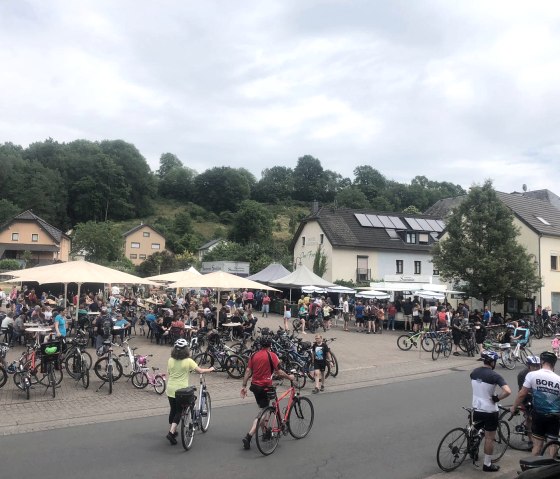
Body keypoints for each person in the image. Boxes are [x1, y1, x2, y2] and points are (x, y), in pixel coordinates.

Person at [240, 337, 294, 450]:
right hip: (265, 387)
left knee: (264, 409)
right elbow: (279, 371)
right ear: (270, 345)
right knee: (263, 414)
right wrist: (289, 377)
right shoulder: (272, 355)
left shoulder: (254, 355)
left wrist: (244, 386)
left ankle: (265, 433)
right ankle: (249, 436)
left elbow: (248, 371)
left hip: (254, 387)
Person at [165, 338, 215, 445]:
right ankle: (171, 432)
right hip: (181, 390)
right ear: (186, 350)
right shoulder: (188, 361)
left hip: (170, 389)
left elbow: (169, 372)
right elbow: (200, 370)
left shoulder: (170, 360)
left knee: (173, 410)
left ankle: (173, 431)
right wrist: (210, 369)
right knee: (180, 411)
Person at [511, 351, 560, 457]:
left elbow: (522, 393)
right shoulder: (558, 380)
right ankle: (550, 469)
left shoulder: (532, 375)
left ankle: (532, 469)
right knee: (553, 445)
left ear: (542, 362)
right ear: (554, 364)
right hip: (554, 417)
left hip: (538, 415)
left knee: (537, 446)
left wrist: (514, 407)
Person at [471, 350, 511, 472]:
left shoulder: (474, 372)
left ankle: (473, 450)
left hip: (476, 407)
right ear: (492, 362)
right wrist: (497, 398)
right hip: (489, 410)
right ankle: (487, 464)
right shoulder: (495, 376)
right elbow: (508, 391)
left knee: (476, 430)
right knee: (489, 438)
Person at [514, 355, 541, 451]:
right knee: (530, 418)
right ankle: (530, 440)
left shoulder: (541, 373)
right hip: (527, 397)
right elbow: (523, 391)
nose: (536, 368)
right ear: (528, 365)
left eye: (538, 366)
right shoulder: (522, 374)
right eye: (534, 366)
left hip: (538, 397)